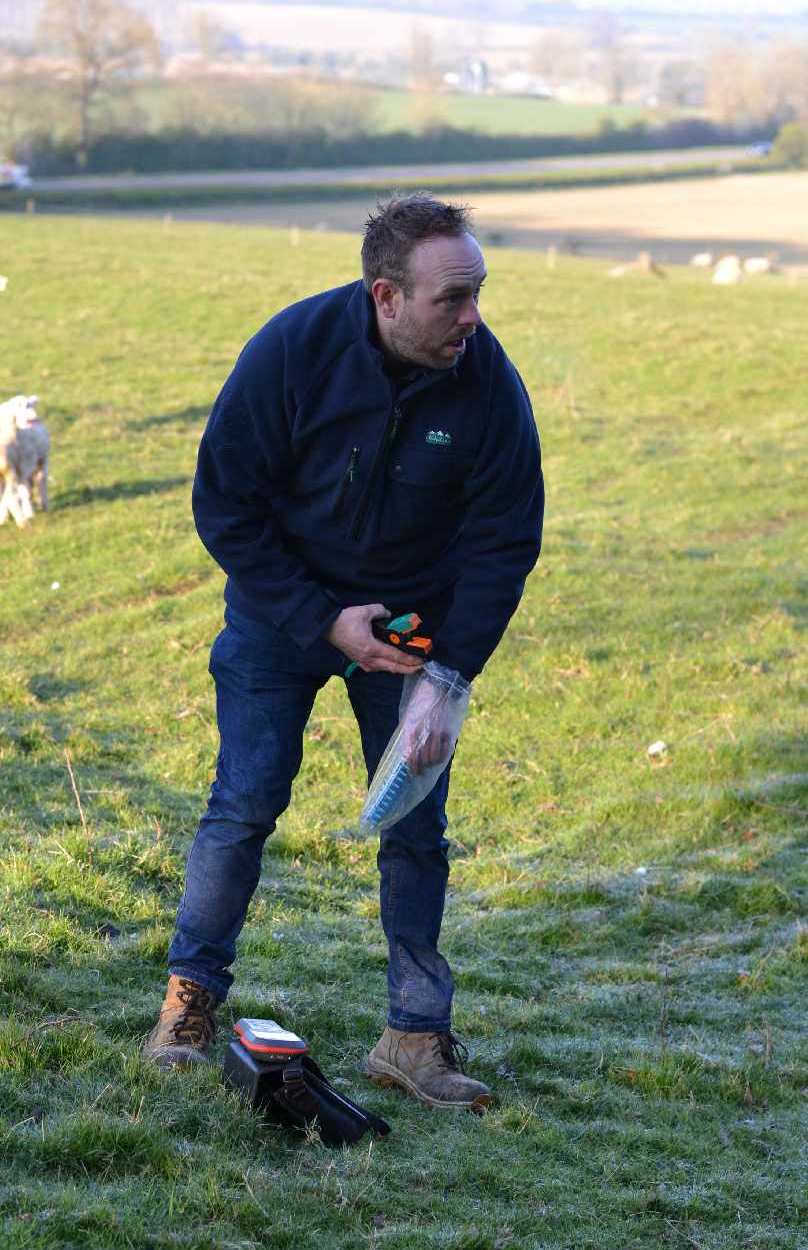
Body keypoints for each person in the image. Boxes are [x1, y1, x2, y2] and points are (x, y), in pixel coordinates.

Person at [143, 194, 544, 1110]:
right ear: (386, 297)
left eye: (479, 292)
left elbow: (503, 541)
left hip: (412, 634)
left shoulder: (487, 383)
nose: (473, 318)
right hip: (285, 614)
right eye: (453, 298)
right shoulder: (290, 352)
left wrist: (447, 679)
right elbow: (226, 508)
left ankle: (415, 1036)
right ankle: (188, 1004)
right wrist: (323, 620)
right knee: (243, 803)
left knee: (415, 824)